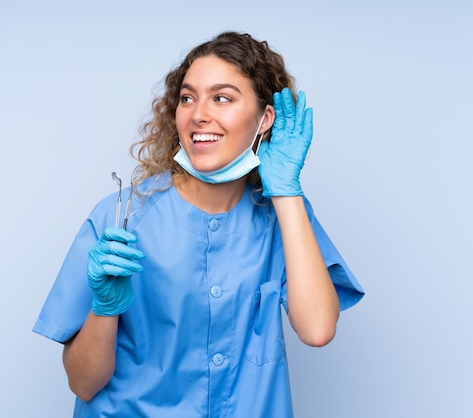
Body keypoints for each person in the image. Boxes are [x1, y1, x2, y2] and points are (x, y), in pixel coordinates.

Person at [33, 31, 364, 417]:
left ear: (265, 119)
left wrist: (287, 192)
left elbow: (317, 330)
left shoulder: (284, 215)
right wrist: (105, 309)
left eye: (221, 98)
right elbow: (83, 383)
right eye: (188, 98)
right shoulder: (121, 216)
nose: (198, 114)